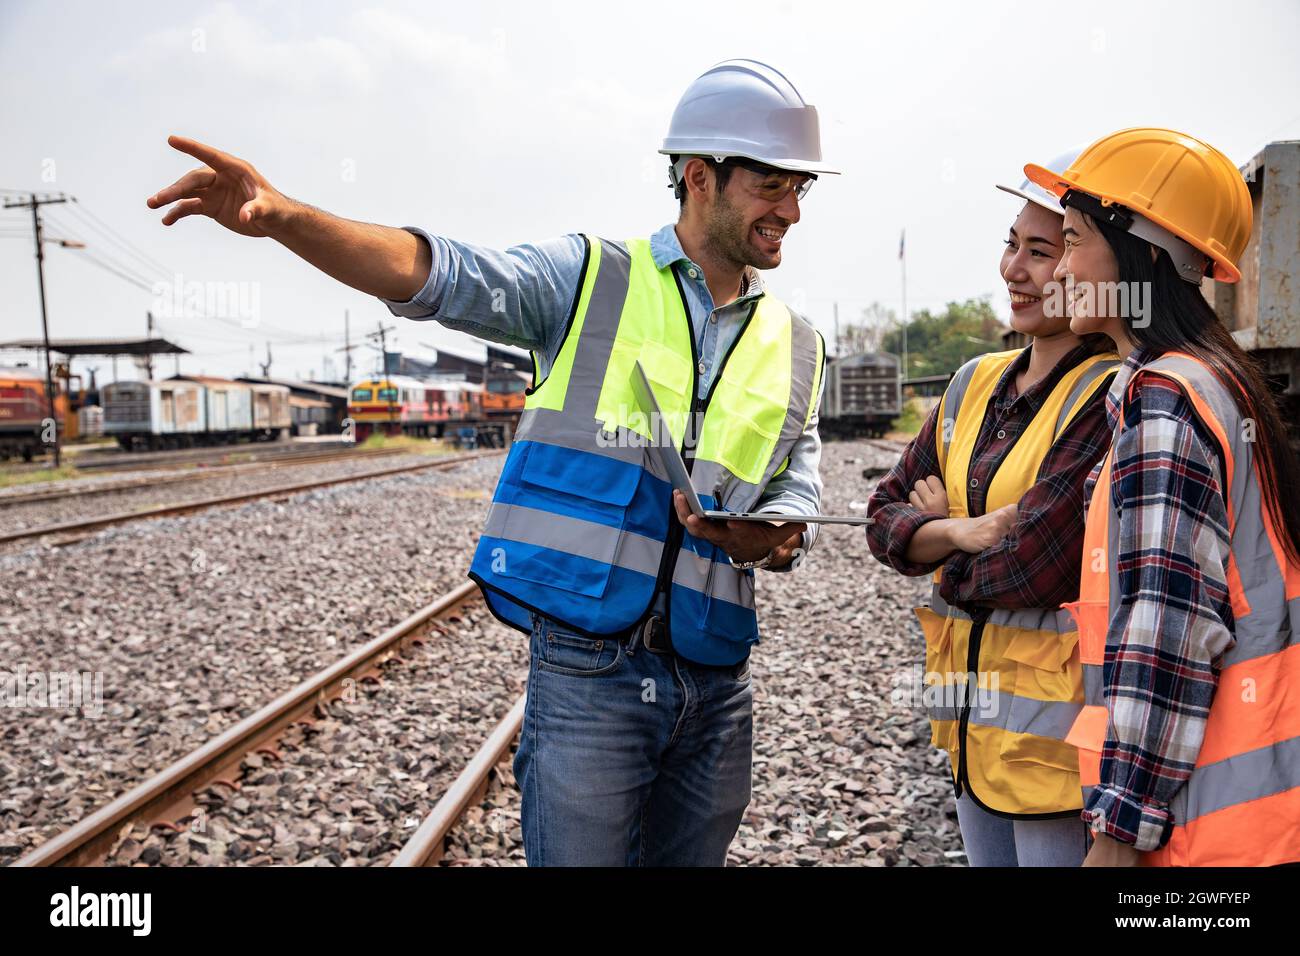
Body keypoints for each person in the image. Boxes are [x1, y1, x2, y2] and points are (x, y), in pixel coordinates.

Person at [146, 59, 834, 867]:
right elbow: (435, 272)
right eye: (770, 185)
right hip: (590, 670)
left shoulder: (798, 343)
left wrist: (775, 536)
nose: (789, 209)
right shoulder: (590, 277)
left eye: (800, 188)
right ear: (698, 178)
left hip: (718, 677)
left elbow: (799, 491)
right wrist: (286, 217)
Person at [1024, 127, 1300, 866]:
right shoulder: (1216, 383)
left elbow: (1167, 628)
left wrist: (1119, 831)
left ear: (1143, 255)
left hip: (1204, 833)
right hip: (1250, 816)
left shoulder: (1167, 399)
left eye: (1075, 240)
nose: (1059, 269)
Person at [866, 150, 1119, 866]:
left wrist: (933, 549)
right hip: (970, 731)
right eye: (1012, 244)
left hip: (1056, 751)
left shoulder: (1107, 394)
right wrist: (959, 530)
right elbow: (881, 517)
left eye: (1043, 251)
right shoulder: (973, 382)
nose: (1016, 269)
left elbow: (1034, 569)